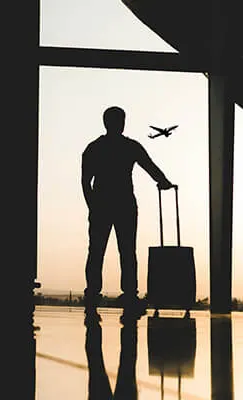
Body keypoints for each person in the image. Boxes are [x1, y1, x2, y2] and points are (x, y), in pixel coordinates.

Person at [82, 106, 174, 317]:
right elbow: (150, 167)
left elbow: (86, 182)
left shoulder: (94, 148)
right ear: (121, 122)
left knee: (96, 252)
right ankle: (130, 295)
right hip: (124, 204)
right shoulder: (130, 147)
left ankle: (93, 295)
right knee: (127, 251)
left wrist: (92, 206)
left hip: (102, 205)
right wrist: (164, 182)